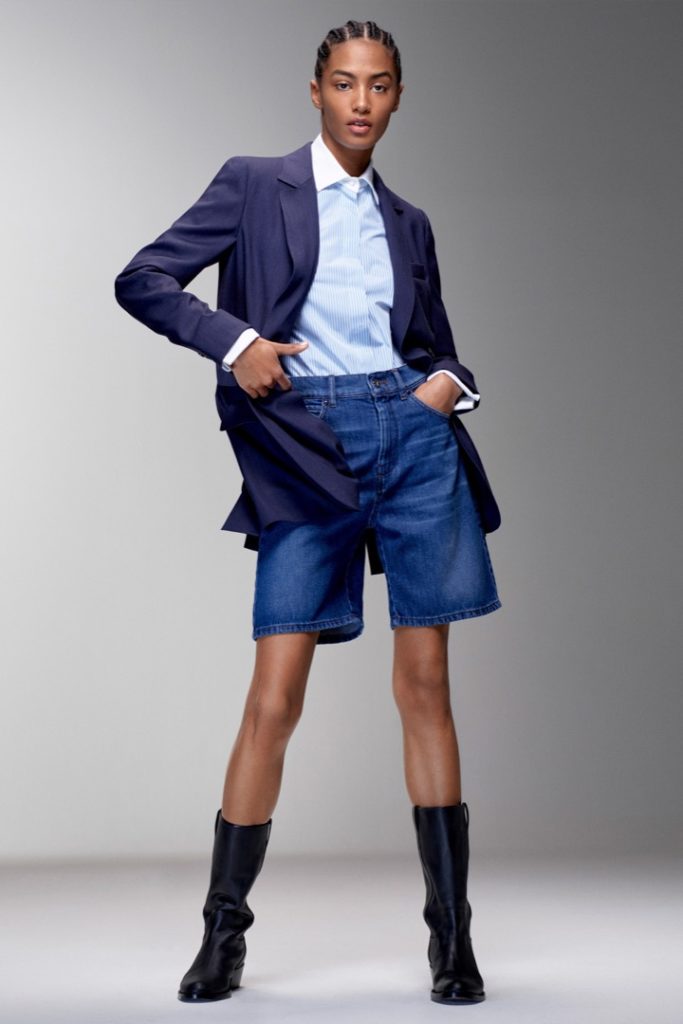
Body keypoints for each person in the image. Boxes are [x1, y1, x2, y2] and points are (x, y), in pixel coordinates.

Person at [114, 18, 501, 1006]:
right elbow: (142, 278)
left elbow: (436, 345)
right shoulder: (254, 184)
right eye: (344, 82)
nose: (361, 101)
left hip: (412, 438)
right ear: (316, 89)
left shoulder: (407, 221)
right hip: (304, 441)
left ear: (397, 95)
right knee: (274, 695)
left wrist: (445, 387)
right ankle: (222, 937)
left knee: (426, 686)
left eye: (379, 84)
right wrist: (235, 340)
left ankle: (451, 940)